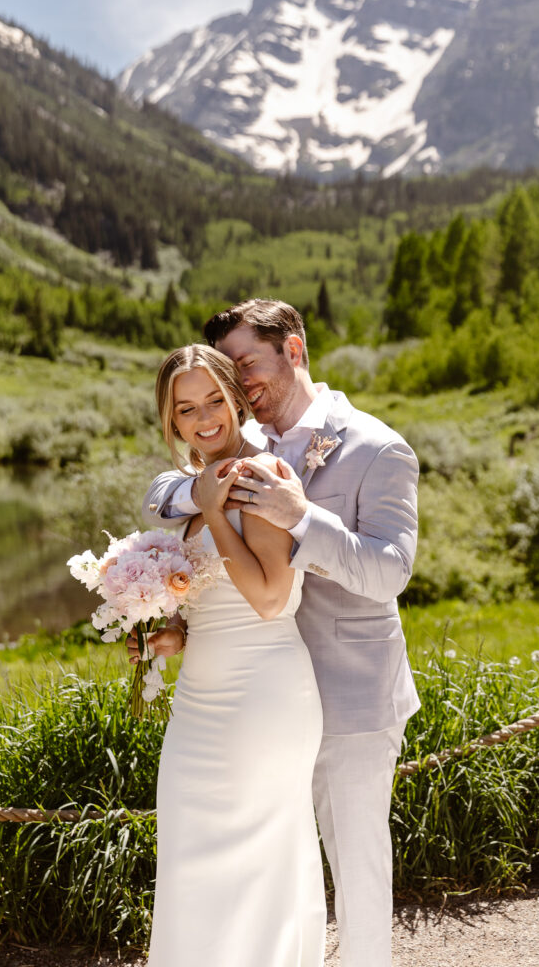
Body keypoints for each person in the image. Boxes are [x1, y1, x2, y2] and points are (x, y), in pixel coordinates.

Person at [143, 299, 420, 967]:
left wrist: (303, 519)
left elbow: (390, 572)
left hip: (348, 691)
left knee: (354, 876)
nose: (237, 388)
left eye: (245, 366)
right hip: (252, 689)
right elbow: (164, 490)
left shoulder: (377, 446)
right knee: (267, 864)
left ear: (292, 349)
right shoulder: (245, 443)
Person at [132, 343, 326, 967]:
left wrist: (216, 516)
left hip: (262, 699)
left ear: (238, 398)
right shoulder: (196, 489)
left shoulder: (264, 477)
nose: (205, 418)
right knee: (191, 860)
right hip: (199, 703)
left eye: (215, 399)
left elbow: (271, 599)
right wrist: (173, 633)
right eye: (186, 408)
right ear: (172, 420)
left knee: (255, 870)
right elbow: (218, 600)